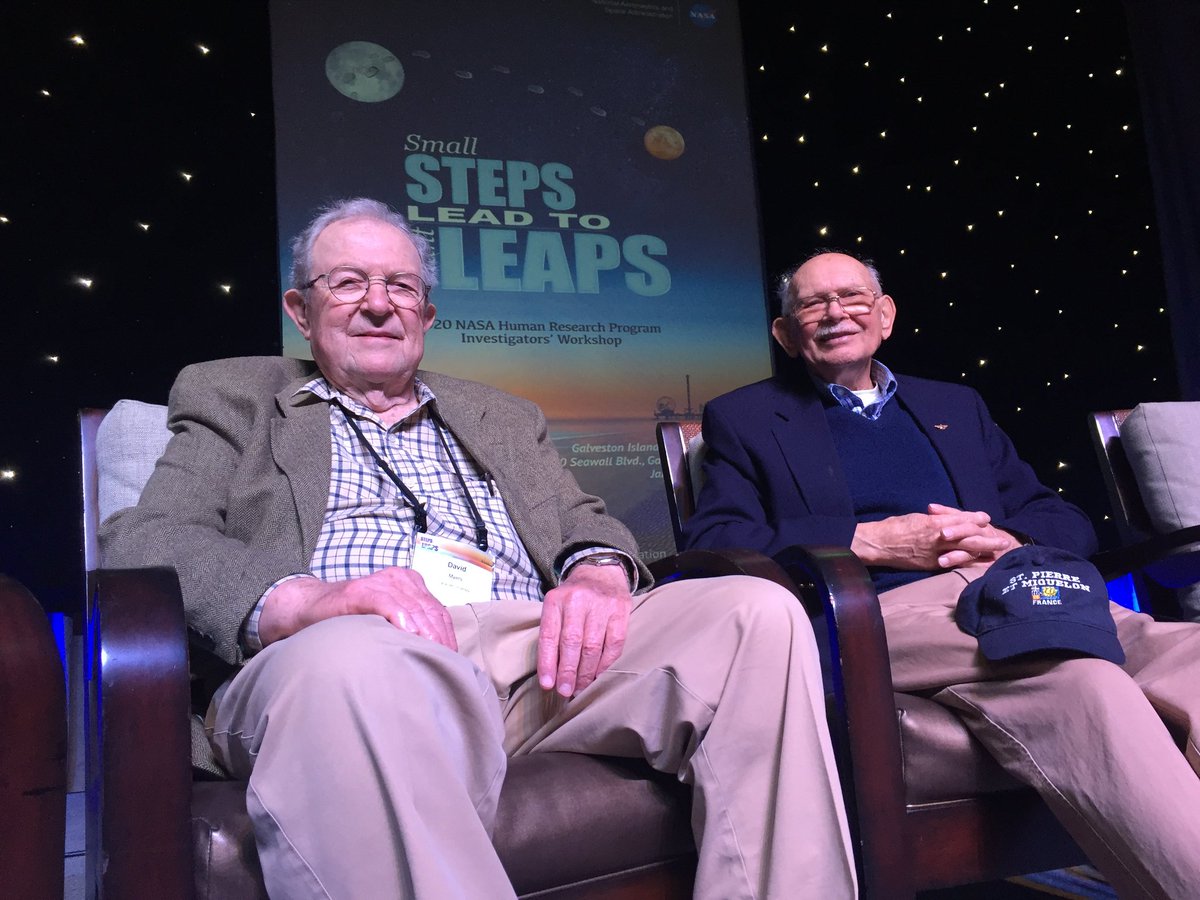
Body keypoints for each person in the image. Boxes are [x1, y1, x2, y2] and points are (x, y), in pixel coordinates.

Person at [100, 199, 857, 899]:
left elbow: (584, 520)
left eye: (400, 285)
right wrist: (310, 601)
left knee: (755, 612)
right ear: (300, 309)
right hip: (346, 652)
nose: (377, 302)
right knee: (353, 662)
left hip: (535, 659)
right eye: (348, 282)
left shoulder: (498, 413)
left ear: (424, 312)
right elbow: (150, 537)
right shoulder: (233, 396)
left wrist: (597, 572)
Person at [684, 249, 1200, 899]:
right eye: (811, 304)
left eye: (851, 297)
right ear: (786, 333)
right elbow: (718, 540)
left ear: (885, 315)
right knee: (1083, 680)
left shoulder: (954, 404)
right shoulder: (746, 418)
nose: (835, 312)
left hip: (1016, 587)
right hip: (880, 613)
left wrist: (1005, 534)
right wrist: (869, 541)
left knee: (1192, 655)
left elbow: (1056, 515)